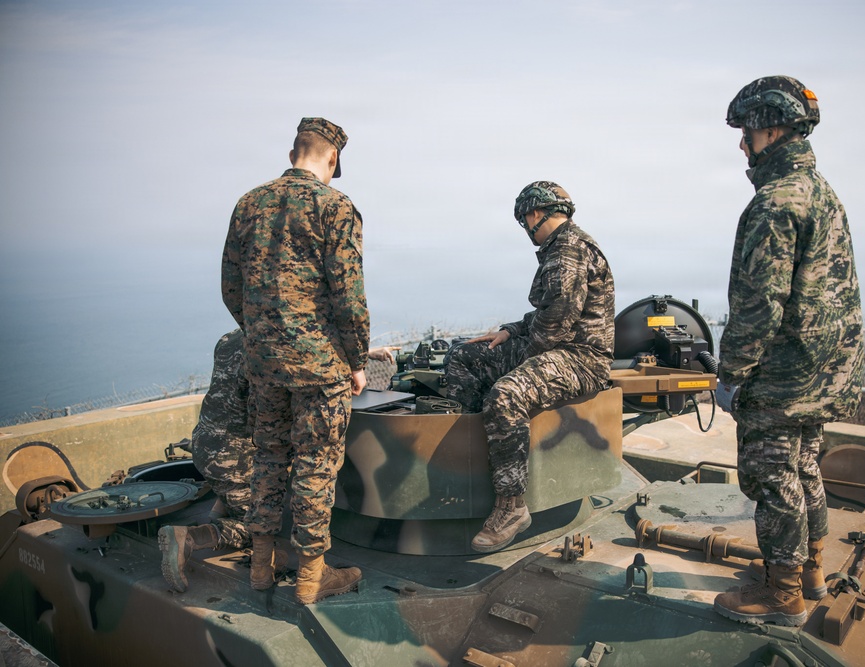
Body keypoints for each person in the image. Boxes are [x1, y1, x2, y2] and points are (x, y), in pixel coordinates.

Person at [712, 76, 864, 626]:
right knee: (804, 468)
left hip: (782, 374)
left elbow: (759, 305)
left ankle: (782, 596)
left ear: (771, 129)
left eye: (747, 132)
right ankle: (812, 571)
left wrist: (730, 375)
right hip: (823, 370)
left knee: (772, 477)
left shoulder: (774, 203)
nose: (741, 144)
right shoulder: (821, 191)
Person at [221, 117, 369, 605]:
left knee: (267, 457)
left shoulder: (248, 204)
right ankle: (311, 579)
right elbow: (348, 296)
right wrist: (356, 359)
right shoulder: (336, 207)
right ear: (332, 159)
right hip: (320, 366)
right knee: (315, 464)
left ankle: (260, 570)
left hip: (264, 365)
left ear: (292, 155)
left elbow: (231, 287)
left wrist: (264, 336)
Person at [445, 181, 615, 553]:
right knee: (464, 356)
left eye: (525, 219)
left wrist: (514, 364)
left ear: (534, 214)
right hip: (557, 348)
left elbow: (554, 328)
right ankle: (476, 463)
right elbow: (546, 314)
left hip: (581, 360)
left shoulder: (568, 251)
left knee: (505, 396)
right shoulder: (561, 248)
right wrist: (510, 332)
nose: (526, 227)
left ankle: (511, 506)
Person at [157, 330, 396, 594]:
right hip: (236, 455)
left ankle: (227, 506)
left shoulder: (229, 339)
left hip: (207, 442)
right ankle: (189, 538)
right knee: (260, 524)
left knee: (251, 493)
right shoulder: (274, 349)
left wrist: (363, 353)